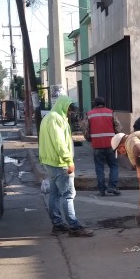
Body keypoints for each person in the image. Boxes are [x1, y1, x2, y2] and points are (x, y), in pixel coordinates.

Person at [38, 95, 94, 237]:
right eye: (69, 110)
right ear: (64, 106)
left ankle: (58, 225)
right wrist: (68, 160)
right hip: (60, 163)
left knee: (54, 194)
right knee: (68, 195)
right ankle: (74, 227)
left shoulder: (48, 117)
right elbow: (59, 143)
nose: (70, 113)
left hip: (49, 162)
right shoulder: (56, 119)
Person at [82, 97, 122, 196]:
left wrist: (89, 139)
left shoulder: (89, 114)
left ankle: (102, 189)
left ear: (94, 104)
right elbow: (118, 127)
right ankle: (112, 186)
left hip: (97, 145)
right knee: (114, 165)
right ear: (104, 104)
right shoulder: (110, 112)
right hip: (110, 144)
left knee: (99, 167)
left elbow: (85, 128)